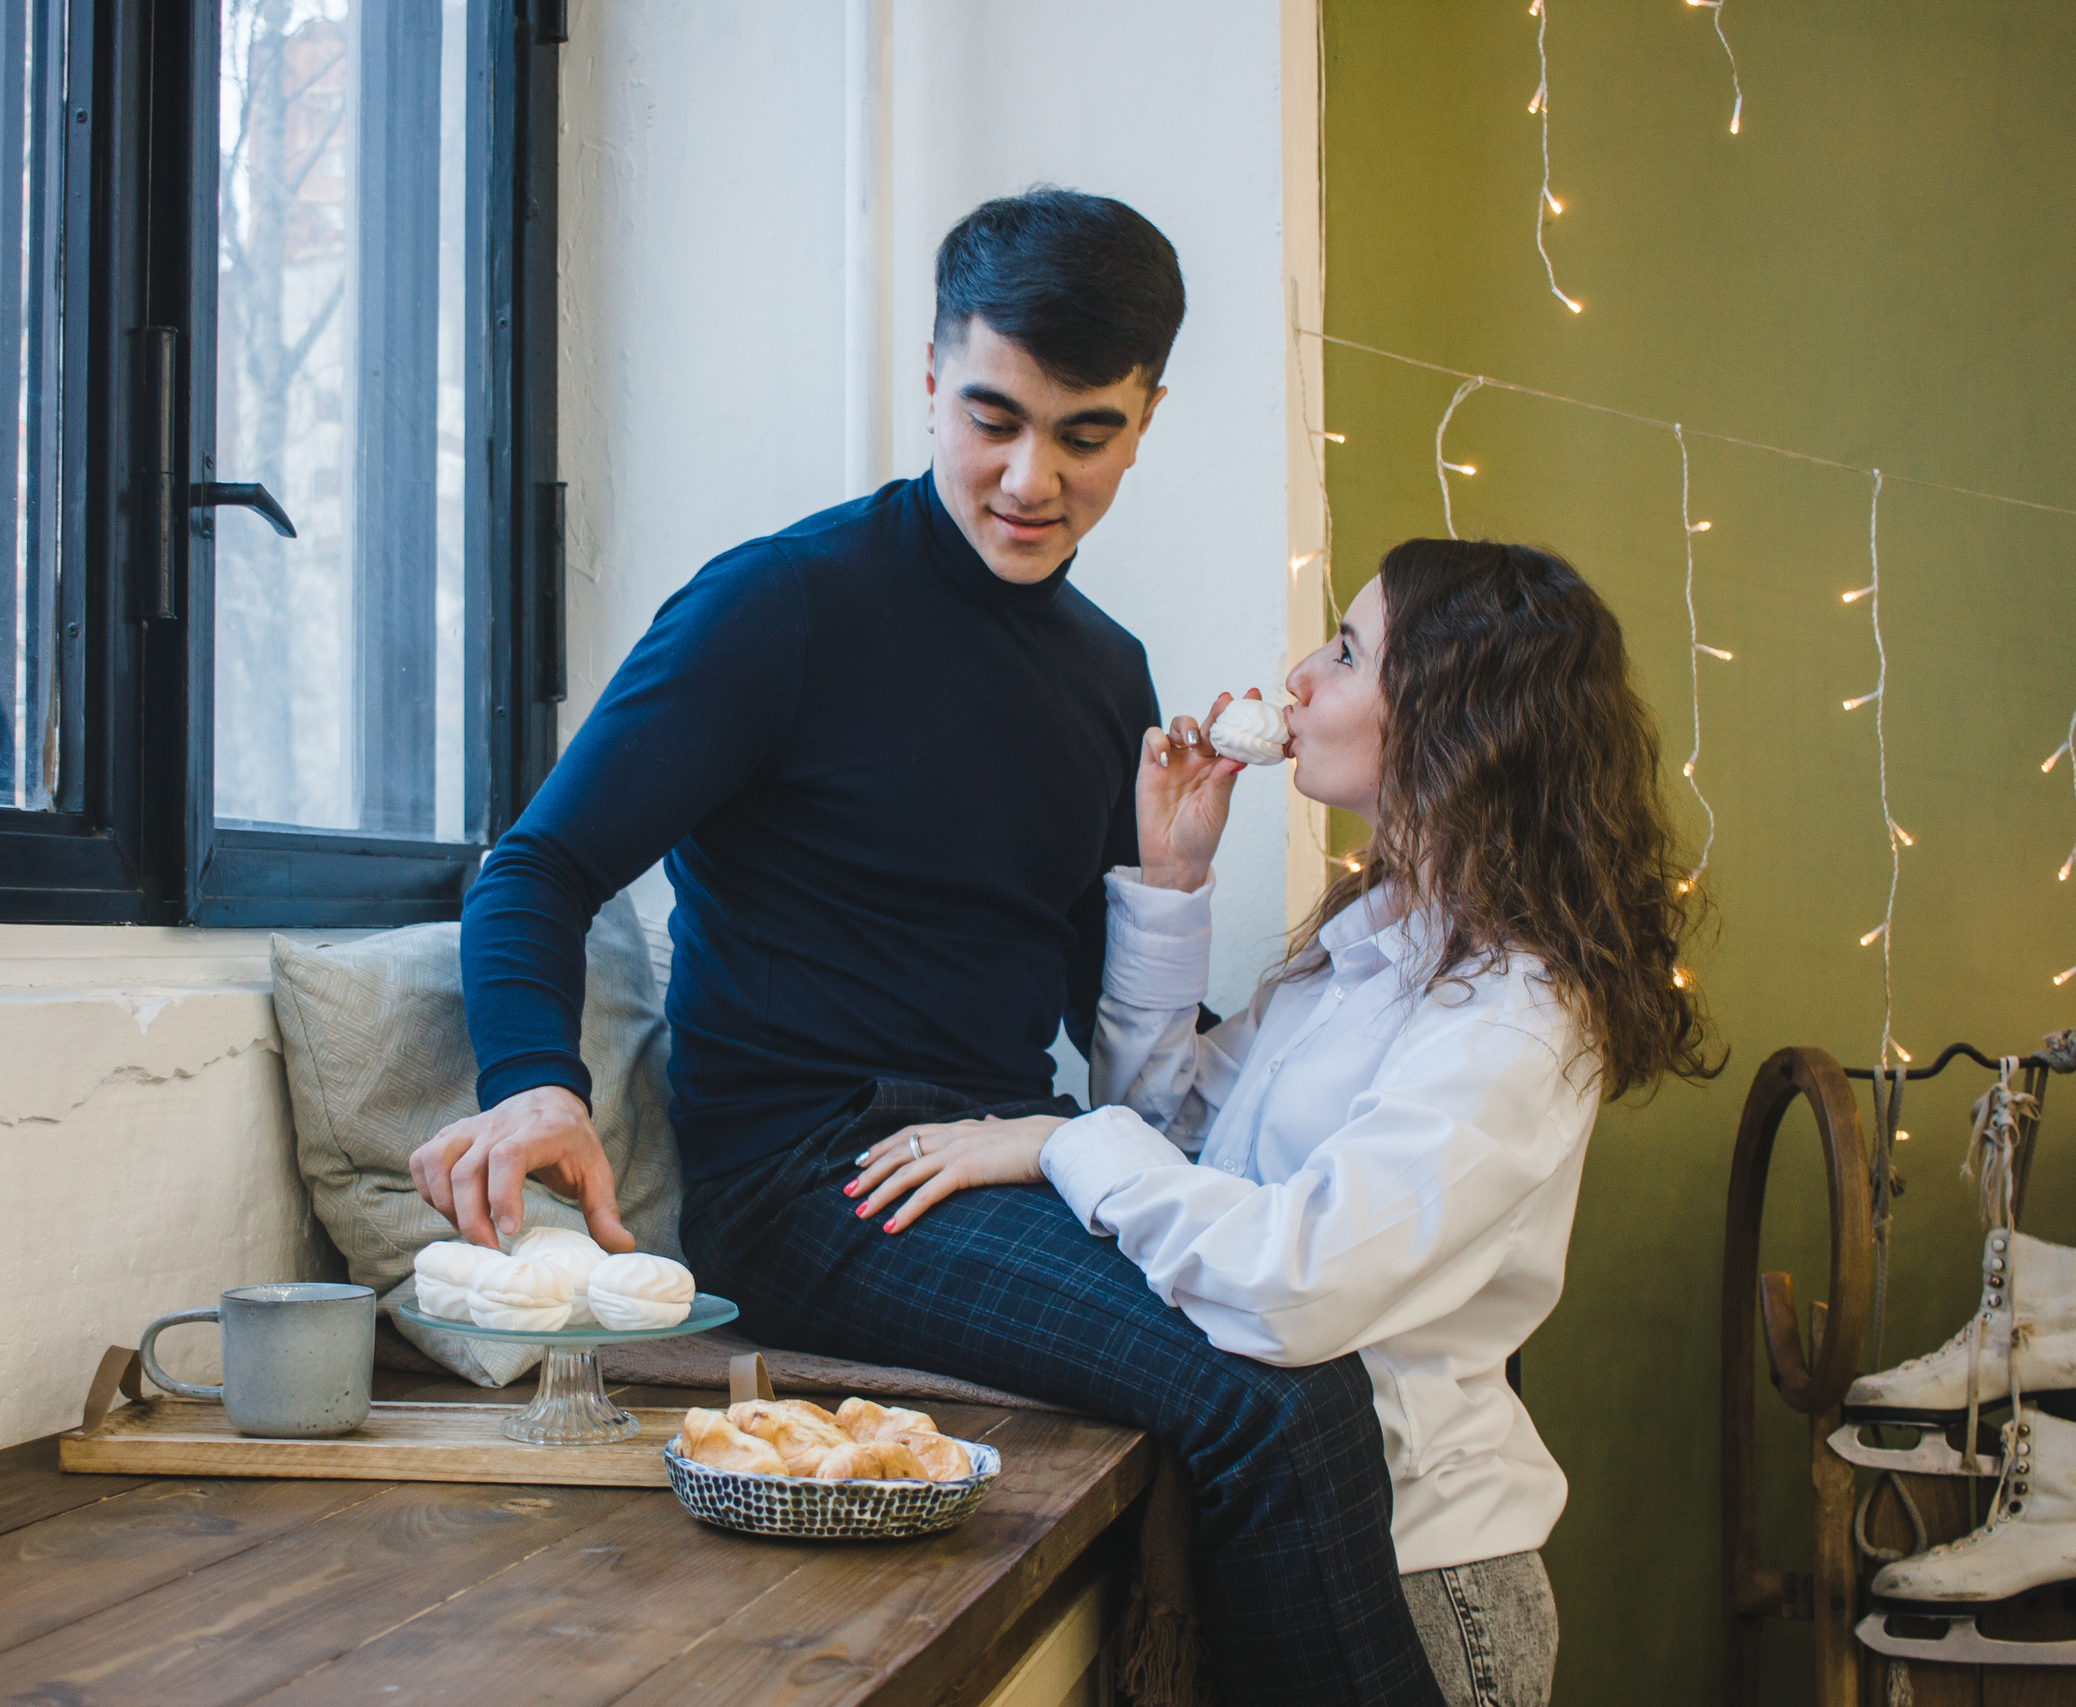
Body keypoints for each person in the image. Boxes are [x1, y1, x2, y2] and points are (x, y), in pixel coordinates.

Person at [413, 187, 1448, 1704]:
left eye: (1084, 433)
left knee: (1312, 1340)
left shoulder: (1110, 674)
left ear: (1146, 418)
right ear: (929, 378)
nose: (1031, 476)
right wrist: (534, 1078)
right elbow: (538, 866)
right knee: (1276, 1402)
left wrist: (1172, 885)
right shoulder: (780, 605)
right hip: (814, 1179)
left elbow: (1122, 1034)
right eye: (991, 416)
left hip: (1016, 1150)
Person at [846, 540, 1722, 1706]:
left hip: (1420, 1581)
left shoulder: (1517, 1017)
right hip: (1298, 1541)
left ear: (1459, 720)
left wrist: (1051, 1142)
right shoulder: (1370, 947)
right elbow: (1170, 1131)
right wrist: (1171, 882)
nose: (1299, 678)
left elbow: (1293, 1284)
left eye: (1349, 650)